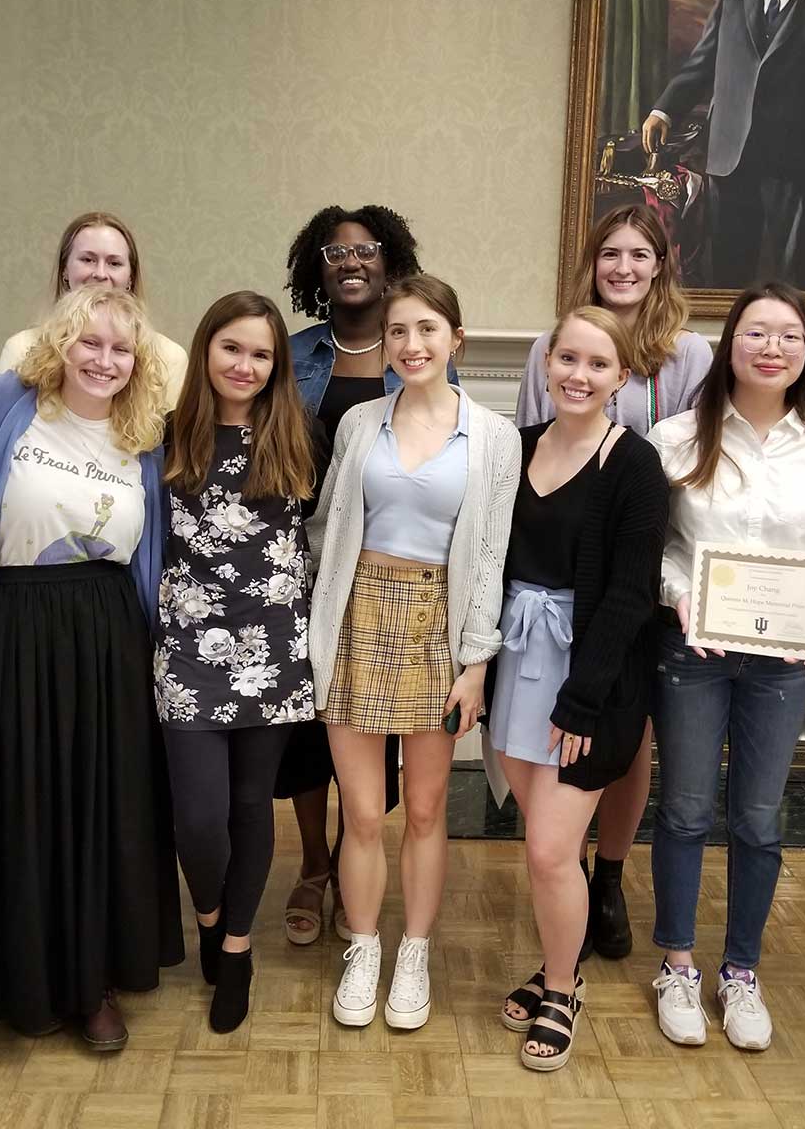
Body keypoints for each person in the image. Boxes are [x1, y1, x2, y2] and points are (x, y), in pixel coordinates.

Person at [0, 284, 182, 1050]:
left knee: (100, 805)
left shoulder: (145, 436)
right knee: (19, 801)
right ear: (60, 343)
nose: (104, 361)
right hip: (13, 626)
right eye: (90, 343)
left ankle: (95, 984)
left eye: (120, 349)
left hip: (109, 636)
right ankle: (21, 979)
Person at [646, 281, 805, 1053]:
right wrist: (682, 599)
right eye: (756, 333)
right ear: (730, 343)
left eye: (790, 337)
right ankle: (676, 962)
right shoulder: (677, 437)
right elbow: (663, 547)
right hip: (694, 651)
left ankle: (740, 971)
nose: (772, 348)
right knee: (684, 810)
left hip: (783, 660)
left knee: (761, 819)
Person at [308, 274, 521, 1030]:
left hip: (440, 624)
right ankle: (363, 947)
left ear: (455, 339)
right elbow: (327, 525)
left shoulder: (494, 437)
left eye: (428, 329)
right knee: (362, 812)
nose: (411, 345)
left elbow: (491, 554)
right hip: (358, 618)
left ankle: (415, 951)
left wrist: (476, 661)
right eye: (398, 331)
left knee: (426, 809)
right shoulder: (359, 423)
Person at [515, 202, 712, 962]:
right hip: (576, 586)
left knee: (632, 740)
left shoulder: (690, 356)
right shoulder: (552, 346)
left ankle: (609, 874)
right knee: (579, 736)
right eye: (610, 254)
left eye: (639, 254)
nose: (624, 266)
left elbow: (702, 457)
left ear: (661, 264)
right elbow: (534, 462)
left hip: (666, 571)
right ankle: (562, 871)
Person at [491, 306, 667, 1071]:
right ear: (546, 363)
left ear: (622, 378)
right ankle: (559, 961)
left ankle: (561, 988)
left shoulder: (635, 465)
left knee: (552, 849)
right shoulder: (517, 446)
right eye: (567, 358)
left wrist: (583, 698)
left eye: (598, 365)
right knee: (542, 846)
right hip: (518, 666)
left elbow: (631, 594)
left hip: (589, 681)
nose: (579, 375)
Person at [156, 290, 321, 1034]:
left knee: (254, 806)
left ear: (277, 363)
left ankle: (238, 945)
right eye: (233, 348)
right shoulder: (164, 437)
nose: (246, 365)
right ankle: (209, 913)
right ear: (206, 351)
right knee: (198, 818)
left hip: (274, 652)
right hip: (187, 652)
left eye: (261, 353)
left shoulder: (299, 437)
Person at [276, 204, 433, 948]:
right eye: (336, 253)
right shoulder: (297, 352)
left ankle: (354, 855)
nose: (351, 262)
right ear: (319, 269)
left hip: (392, 575)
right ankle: (313, 863)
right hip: (301, 565)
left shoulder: (418, 349)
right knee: (312, 727)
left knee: (376, 729)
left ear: (389, 260)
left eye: (366, 250)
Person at [641, 0, 805, 288]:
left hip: (797, 159)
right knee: (728, 270)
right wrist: (664, 110)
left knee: (792, 273)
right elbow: (702, 63)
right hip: (730, 155)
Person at [0, 210, 188, 403]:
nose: (100, 273)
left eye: (114, 263)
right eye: (88, 260)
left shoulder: (170, 357)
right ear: (65, 269)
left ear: (130, 277)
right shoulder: (20, 348)